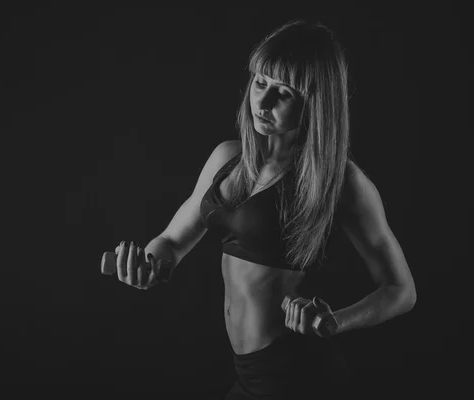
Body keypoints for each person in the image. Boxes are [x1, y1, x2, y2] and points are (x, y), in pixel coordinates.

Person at [112, 19, 417, 398]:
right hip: (249, 375)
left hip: (298, 376)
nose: (264, 102)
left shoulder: (342, 182)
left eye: (283, 92)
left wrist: (334, 322)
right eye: (260, 83)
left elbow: (401, 290)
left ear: (315, 101)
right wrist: (148, 266)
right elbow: (173, 241)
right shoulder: (227, 158)